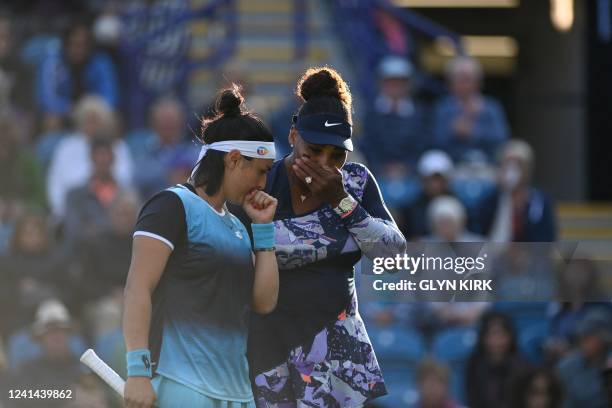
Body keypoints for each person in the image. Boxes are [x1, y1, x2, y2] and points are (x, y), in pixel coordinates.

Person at [238, 67, 407, 407]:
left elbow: (394, 256)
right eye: (313, 151)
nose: (323, 163)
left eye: (336, 155)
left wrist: (341, 201)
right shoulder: (261, 180)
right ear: (292, 136)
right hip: (267, 343)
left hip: (335, 345)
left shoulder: (355, 182)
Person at [122, 85, 279, 408]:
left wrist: (263, 230)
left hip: (239, 394)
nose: (263, 185)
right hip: (182, 386)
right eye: (261, 172)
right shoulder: (170, 206)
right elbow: (137, 289)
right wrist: (137, 371)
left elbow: (263, 302)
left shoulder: (238, 224)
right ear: (234, 160)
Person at [46, 95, 133, 218]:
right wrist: (63, 211)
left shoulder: (118, 146)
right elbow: (55, 184)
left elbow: (125, 181)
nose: (91, 125)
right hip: (72, 210)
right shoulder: (66, 147)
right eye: (87, 120)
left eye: (96, 120)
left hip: (113, 211)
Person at [36, 19, 118, 131]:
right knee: (51, 119)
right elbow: (46, 98)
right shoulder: (52, 61)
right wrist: (68, 108)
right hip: (65, 112)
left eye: (83, 45)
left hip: (93, 110)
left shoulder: (100, 61)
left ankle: (102, 148)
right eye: (74, 44)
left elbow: (110, 96)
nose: (79, 50)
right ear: (65, 44)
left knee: (115, 119)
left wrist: (90, 109)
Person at [359, 55, 429, 177]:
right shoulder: (371, 113)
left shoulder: (420, 113)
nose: (395, 86)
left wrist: (406, 167)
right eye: (391, 81)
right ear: (381, 83)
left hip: (412, 173)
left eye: (400, 82)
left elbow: (422, 145)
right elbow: (368, 146)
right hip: (377, 172)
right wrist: (382, 168)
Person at [476, 139, 556, 242]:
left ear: (528, 168)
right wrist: (502, 190)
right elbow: (481, 229)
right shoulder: (491, 199)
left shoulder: (539, 201)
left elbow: (547, 237)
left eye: (519, 164)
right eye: (508, 163)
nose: (512, 168)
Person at [433, 56, 510, 163]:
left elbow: (502, 139)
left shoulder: (491, 107)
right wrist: (454, 132)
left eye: (468, 79)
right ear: (450, 83)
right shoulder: (443, 107)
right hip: (452, 166)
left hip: (488, 164)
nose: (464, 84)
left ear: (478, 82)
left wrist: (475, 132)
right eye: (460, 79)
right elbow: (434, 142)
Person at [465, 311, 526, 408]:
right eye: (492, 334)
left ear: (510, 337)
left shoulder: (522, 366)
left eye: (502, 335)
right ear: (483, 338)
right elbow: (472, 400)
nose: (497, 341)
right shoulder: (473, 365)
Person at [398, 150, 457, 240]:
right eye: (429, 179)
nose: (434, 184)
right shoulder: (411, 210)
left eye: (438, 179)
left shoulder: (457, 204)